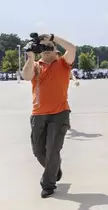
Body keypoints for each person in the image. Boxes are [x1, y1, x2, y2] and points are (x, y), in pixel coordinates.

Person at [21, 33, 77, 198]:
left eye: (49, 48)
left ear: (56, 51)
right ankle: (54, 169)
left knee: (53, 149)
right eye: (43, 48)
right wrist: (30, 57)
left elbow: (72, 48)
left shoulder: (63, 63)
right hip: (38, 114)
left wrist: (52, 38)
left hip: (59, 113)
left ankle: (48, 184)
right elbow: (26, 76)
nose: (46, 50)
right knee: (38, 151)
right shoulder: (36, 65)